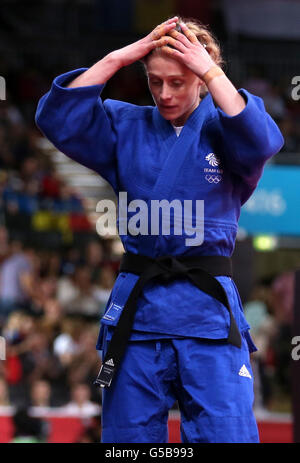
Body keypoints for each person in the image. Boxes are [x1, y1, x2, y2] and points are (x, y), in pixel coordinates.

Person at [35, 16, 284, 443]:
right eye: (155, 81)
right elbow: (57, 118)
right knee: (128, 443)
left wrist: (210, 69)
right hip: (139, 313)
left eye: (179, 82)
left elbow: (263, 142)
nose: (165, 94)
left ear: (205, 79)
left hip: (206, 313)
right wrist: (119, 57)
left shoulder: (228, 129)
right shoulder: (124, 124)